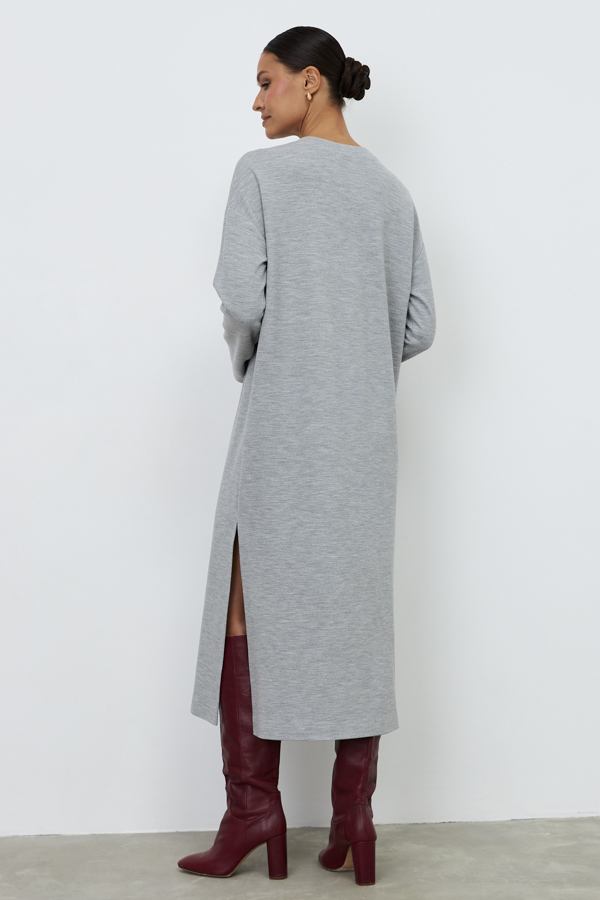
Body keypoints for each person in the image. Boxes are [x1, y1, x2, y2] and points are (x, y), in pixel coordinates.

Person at [178, 25, 436, 887]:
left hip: (283, 425)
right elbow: (419, 325)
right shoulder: (392, 193)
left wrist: (259, 357)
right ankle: (354, 818)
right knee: (354, 615)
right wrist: (357, 364)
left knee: (245, 604)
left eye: (267, 82)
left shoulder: (261, 175)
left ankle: (253, 813)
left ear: (312, 82)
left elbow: (243, 298)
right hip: (364, 441)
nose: (256, 101)